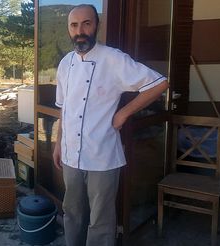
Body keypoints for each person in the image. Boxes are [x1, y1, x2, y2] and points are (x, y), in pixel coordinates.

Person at [52, 4, 169, 246]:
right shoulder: (65, 64)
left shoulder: (113, 58)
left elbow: (159, 84)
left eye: (87, 23)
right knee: (72, 212)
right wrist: (57, 143)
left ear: (97, 26)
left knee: (101, 220)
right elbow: (64, 108)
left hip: (102, 155)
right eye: (74, 25)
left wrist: (124, 113)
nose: (80, 30)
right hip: (70, 153)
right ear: (68, 29)